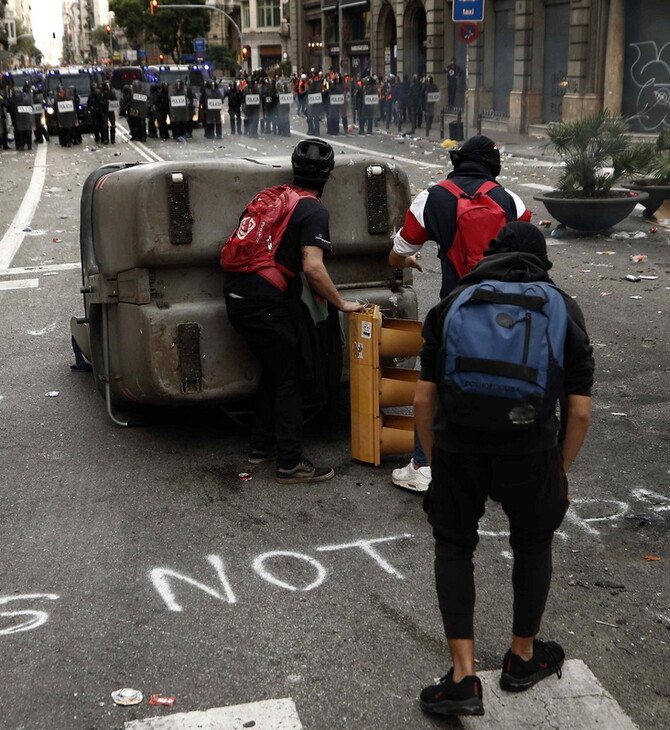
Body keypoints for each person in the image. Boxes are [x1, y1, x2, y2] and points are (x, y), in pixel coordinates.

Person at [414, 221, 594, 717]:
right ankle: (522, 656)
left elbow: (423, 398)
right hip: (530, 450)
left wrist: (434, 459)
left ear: (490, 254)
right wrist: (559, 470)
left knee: (454, 546)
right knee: (533, 544)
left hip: (458, 447)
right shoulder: (563, 307)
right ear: (542, 263)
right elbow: (578, 411)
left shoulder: (453, 302)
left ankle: (462, 678)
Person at [388, 135, 532, 491]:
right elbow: (529, 257)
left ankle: (423, 467)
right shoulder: (511, 201)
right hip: (504, 310)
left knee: (435, 384)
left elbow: (398, 251)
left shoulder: (433, 197)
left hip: (455, 308)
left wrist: (406, 259)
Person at [223, 138, 365, 484]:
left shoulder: (273, 197)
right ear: (328, 175)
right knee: (290, 376)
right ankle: (289, 463)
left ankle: (261, 446)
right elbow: (313, 268)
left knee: (275, 370)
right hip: (265, 302)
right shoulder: (314, 210)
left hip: (236, 293)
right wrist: (342, 303)